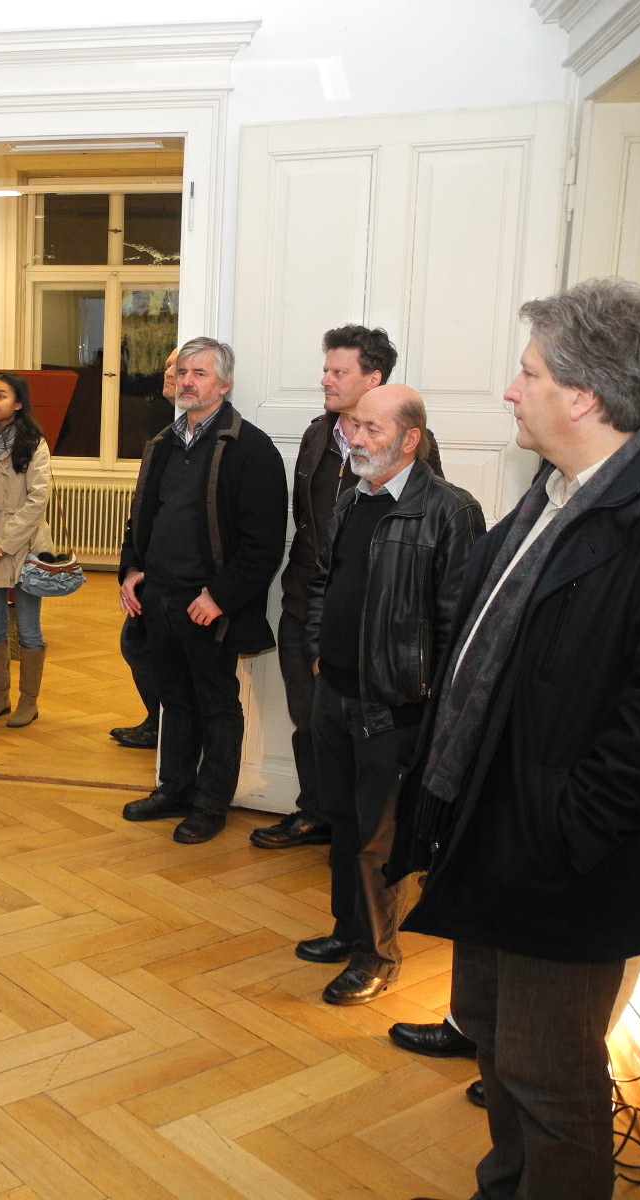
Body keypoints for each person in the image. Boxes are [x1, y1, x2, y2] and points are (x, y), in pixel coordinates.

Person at [392, 279, 640, 1200]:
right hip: (491, 832)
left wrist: (564, 829)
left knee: (552, 1080)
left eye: (529, 374)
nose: (511, 392)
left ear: (584, 397)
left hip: (565, 862)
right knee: (496, 1043)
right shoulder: (554, 492)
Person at [296, 385, 484, 1006]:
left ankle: (377, 955)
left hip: (394, 707)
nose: (354, 438)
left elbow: (459, 626)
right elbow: (323, 583)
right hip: (334, 693)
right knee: (340, 819)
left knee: (379, 841)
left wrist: (437, 713)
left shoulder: (450, 511)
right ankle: (347, 930)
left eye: (371, 429)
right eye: (353, 426)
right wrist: (319, 648)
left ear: (410, 440)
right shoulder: (352, 499)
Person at [254, 325, 440, 849]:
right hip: (305, 603)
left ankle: (365, 833)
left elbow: (421, 535)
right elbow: (306, 521)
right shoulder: (318, 433)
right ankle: (317, 812)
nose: (326, 379)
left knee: (370, 736)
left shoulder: (411, 445)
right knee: (308, 719)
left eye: (339, 371)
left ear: (373, 378)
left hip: (370, 619)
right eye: (326, 369)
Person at [117, 337, 287, 843]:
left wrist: (219, 597)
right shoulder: (162, 443)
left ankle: (212, 804)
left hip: (208, 605)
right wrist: (131, 569)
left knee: (216, 704)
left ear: (225, 384)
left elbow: (263, 544)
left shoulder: (252, 449)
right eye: (183, 372)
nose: (187, 382)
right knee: (173, 698)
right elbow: (141, 516)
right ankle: (174, 790)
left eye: (200, 374)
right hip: (160, 598)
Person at [0, 372, 53, 727]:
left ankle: (28, 702)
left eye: (1, 395)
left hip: (27, 545)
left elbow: (37, 500)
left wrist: (4, 543)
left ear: (18, 403)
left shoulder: (34, 444)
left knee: (29, 630)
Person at [111, 347, 174, 750]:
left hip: (176, 577)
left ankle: (167, 726)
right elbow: (142, 508)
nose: (170, 373)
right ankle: (159, 722)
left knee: (145, 648)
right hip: (147, 571)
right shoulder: (163, 430)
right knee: (135, 644)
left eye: (179, 367)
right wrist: (131, 567)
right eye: (167, 366)